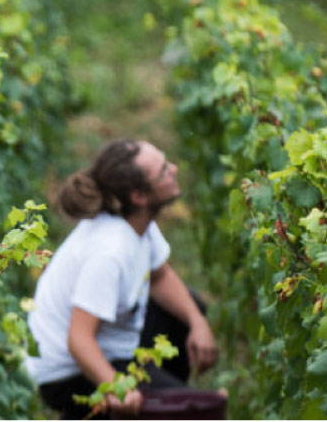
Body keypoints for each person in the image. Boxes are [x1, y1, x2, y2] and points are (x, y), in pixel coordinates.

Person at [25, 140, 219, 419]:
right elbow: (78, 340)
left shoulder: (137, 224)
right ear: (139, 196)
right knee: (197, 413)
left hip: (106, 342)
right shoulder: (109, 252)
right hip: (68, 373)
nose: (174, 169)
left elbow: (161, 275)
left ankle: (158, 393)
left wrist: (198, 324)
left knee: (190, 309)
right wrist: (117, 387)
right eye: (164, 170)